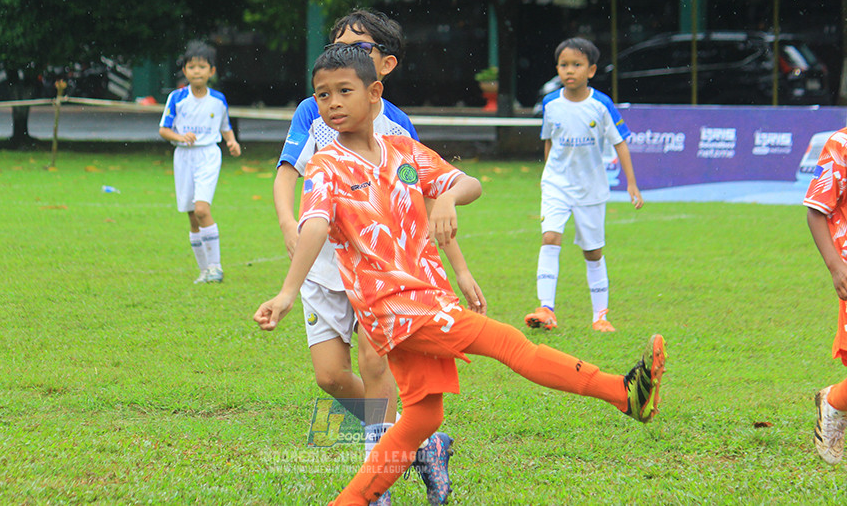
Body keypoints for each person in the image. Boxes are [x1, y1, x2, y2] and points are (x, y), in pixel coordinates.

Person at [254, 44, 666, 505]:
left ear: (374, 93)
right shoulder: (326, 165)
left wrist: (447, 197)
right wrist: (287, 292)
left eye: (343, 91)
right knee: (509, 344)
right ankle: (623, 393)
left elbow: (469, 183)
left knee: (422, 418)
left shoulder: (404, 150)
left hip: (431, 297)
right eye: (322, 94)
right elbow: (314, 225)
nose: (331, 103)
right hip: (396, 308)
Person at [273, 10, 484, 505]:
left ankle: (378, 484)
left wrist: (460, 268)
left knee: (374, 364)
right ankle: (421, 443)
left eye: (358, 47)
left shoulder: (398, 127)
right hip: (322, 264)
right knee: (330, 377)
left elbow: (425, 201)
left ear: (384, 67)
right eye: (336, 45)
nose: (342, 55)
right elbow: (287, 172)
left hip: (377, 268)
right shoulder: (314, 110)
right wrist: (288, 224)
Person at [524, 37, 643, 333]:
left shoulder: (601, 105)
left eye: (576, 65)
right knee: (550, 237)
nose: (569, 70)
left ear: (591, 70)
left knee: (592, 251)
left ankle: (600, 316)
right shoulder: (551, 104)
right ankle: (546, 309)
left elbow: (620, 143)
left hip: (590, 189)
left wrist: (631, 183)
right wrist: (548, 176)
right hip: (556, 185)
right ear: (557, 69)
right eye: (564, 65)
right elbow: (549, 141)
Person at [158, 41, 241, 284]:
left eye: (202, 67)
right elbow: (164, 129)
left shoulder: (218, 100)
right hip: (184, 157)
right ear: (185, 71)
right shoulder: (176, 98)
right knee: (192, 216)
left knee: (202, 210)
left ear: (211, 71)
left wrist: (232, 141)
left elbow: (225, 126)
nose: (197, 71)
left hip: (208, 155)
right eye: (192, 67)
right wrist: (180, 137)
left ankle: (216, 267)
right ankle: (204, 271)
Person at [804, 128, 847, 464]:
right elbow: (816, 211)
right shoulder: (841, 145)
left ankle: (834, 401)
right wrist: (836, 267)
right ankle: (834, 402)